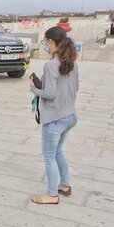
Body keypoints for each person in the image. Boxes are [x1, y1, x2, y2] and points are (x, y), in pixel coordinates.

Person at [30, 26, 79, 205]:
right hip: (70, 115)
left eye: (45, 42)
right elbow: (75, 88)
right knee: (58, 152)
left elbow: (49, 94)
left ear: (51, 41)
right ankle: (65, 185)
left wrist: (34, 88)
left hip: (55, 119)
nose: (45, 45)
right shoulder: (72, 62)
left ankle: (52, 195)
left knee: (49, 156)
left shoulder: (51, 65)